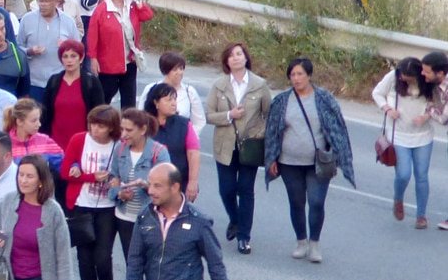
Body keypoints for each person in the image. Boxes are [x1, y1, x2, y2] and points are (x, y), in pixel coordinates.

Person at [265, 57, 354, 263]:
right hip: (289, 162)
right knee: (296, 202)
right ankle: (301, 241)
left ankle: (315, 244)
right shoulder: (282, 101)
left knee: (316, 202)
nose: (296, 79)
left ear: (309, 75)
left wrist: (338, 154)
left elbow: (337, 128)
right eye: (292, 75)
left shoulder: (324, 99)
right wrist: (271, 157)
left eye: (300, 74)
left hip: (317, 163)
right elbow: (272, 131)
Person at [204, 42, 272, 255]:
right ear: (226, 61)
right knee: (227, 189)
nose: (236, 58)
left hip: (250, 145)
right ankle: (235, 219)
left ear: (246, 58)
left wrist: (260, 133)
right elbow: (209, 115)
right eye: (231, 55)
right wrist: (228, 116)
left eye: (239, 54)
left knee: (246, 190)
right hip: (225, 145)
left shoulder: (259, 85)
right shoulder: (219, 85)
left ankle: (244, 236)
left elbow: (268, 114)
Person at [60, 104, 122, 280]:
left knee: (103, 256)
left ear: (111, 127)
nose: (95, 130)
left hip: (107, 206)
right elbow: (65, 170)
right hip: (81, 204)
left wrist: (117, 181)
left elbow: (125, 172)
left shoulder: (118, 145)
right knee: (84, 257)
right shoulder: (79, 139)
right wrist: (89, 176)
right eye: (93, 124)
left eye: (101, 126)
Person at [374, 56, 435, 228]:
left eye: (407, 76)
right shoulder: (392, 77)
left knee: (421, 176)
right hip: (398, 135)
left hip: (423, 135)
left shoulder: (427, 82)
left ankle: (421, 215)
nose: (403, 78)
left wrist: (425, 116)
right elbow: (377, 93)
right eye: (401, 75)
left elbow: (437, 103)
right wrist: (387, 109)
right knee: (403, 174)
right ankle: (398, 198)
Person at [112, 109, 170, 278]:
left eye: (128, 130)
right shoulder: (119, 149)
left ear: (143, 130)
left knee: (152, 264)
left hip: (150, 217)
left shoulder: (159, 152)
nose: (123, 134)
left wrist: (147, 186)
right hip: (125, 216)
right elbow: (113, 178)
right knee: (132, 265)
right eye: (122, 129)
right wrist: (119, 194)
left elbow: (167, 186)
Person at [86, 0, 152, 108]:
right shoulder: (101, 10)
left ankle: (128, 128)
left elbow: (147, 15)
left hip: (130, 62)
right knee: (104, 100)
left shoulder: (132, 6)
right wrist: (93, 58)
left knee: (129, 102)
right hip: (108, 65)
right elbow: (92, 37)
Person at [42, 37, 106, 158]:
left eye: (73, 56)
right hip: (55, 144)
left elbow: (100, 114)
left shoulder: (91, 82)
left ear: (81, 58)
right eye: (65, 56)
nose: (69, 60)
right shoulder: (54, 81)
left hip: (83, 144)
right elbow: (45, 114)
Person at [143, 84, 201, 212]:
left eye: (175, 99)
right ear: (156, 103)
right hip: (148, 185)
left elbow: (193, 154)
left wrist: (193, 182)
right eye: (169, 100)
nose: (174, 103)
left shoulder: (184, 124)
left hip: (177, 183)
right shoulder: (144, 124)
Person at [18, 0, 80, 104]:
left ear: (56, 1)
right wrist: (30, 51)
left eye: (46, 0)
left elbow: (77, 49)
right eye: (40, 0)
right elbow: (17, 47)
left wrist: (66, 46)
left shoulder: (68, 21)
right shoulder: (27, 19)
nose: (42, 4)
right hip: (34, 82)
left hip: (60, 80)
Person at [142, 52, 207, 137]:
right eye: (175, 69)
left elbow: (199, 121)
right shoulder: (151, 89)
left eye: (181, 69)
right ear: (166, 70)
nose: (179, 72)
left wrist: (188, 137)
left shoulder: (189, 92)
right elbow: (142, 115)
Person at [4, 98, 63, 174]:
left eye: (39, 120)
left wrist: (74, 166)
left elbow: (64, 165)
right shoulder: (5, 144)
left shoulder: (45, 141)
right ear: (19, 122)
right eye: (34, 121)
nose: (39, 124)